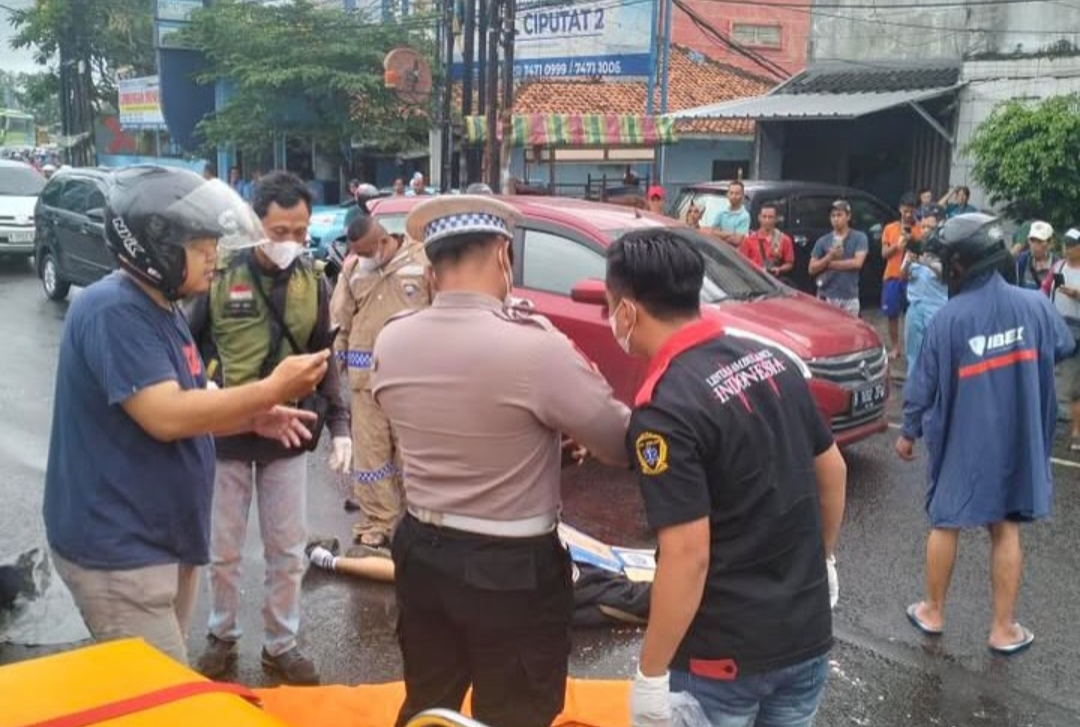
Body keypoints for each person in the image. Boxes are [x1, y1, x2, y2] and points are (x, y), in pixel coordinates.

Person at [42, 166, 329, 666]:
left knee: (151, 691)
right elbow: (167, 415)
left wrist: (252, 417)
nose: (214, 258)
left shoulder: (163, 306)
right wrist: (271, 388)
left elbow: (191, 398)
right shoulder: (114, 309)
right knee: (159, 700)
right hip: (121, 554)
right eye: (201, 248)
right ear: (156, 250)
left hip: (158, 543)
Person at [370, 195, 631, 727]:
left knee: (429, 702)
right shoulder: (535, 347)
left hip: (422, 550)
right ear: (504, 255)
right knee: (516, 711)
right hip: (511, 566)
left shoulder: (392, 338)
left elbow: (438, 426)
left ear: (431, 265)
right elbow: (617, 440)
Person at [607, 229, 846, 727]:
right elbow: (832, 471)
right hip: (806, 639)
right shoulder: (774, 361)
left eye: (610, 307)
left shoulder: (665, 409)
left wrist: (650, 673)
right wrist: (822, 562)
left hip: (722, 663)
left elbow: (688, 555)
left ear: (627, 311)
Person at [187, 171, 350, 685]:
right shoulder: (218, 277)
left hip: (289, 436)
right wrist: (210, 394)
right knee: (225, 549)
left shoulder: (313, 280)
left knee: (286, 548)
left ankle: (282, 644)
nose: (292, 243)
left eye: (300, 232)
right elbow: (188, 348)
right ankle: (221, 636)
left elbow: (325, 353)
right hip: (228, 433)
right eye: (281, 231)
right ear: (257, 223)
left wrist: (341, 424)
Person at [896, 213, 1075, 655]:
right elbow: (1062, 346)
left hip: (961, 440)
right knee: (1006, 527)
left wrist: (908, 432)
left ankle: (933, 611)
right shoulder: (1035, 305)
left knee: (946, 521)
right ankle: (1002, 628)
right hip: (1018, 441)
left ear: (962, 264)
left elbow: (922, 384)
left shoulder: (948, 319)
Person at [331, 215, 431, 549]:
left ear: (384, 241)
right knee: (371, 456)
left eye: (367, 252)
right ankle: (377, 521)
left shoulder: (421, 261)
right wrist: (335, 362)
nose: (364, 258)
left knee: (410, 455)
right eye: (357, 253)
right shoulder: (353, 269)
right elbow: (340, 321)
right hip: (365, 381)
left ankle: (412, 521)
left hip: (411, 380)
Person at [1041, 227, 1080, 448]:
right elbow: (1046, 289)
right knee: (1049, 374)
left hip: (1078, 329)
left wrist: (1077, 294)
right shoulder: (1059, 266)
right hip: (1057, 325)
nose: (1067, 249)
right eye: (1066, 244)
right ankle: (1049, 426)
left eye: (1072, 245)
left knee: (1075, 385)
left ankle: (1076, 432)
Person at [902, 214, 947, 378]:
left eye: (931, 227)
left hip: (937, 308)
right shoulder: (914, 248)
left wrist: (926, 262)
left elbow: (947, 276)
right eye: (924, 226)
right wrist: (908, 263)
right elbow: (903, 276)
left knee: (936, 353)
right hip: (915, 306)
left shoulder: (945, 250)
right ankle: (913, 390)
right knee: (913, 353)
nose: (926, 230)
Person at [808, 200, 869, 316]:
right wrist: (829, 257)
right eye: (833, 216)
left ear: (848, 216)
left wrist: (828, 264)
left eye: (839, 215)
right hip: (826, 295)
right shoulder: (823, 240)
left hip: (849, 296)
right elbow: (811, 268)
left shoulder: (860, 237)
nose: (836, 219)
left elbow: (857, 263)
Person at [881, 194, 922, 360]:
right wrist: (897, 245)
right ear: (900, 209)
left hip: (914, 278)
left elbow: (924, 254)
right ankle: (895, 347)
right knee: (892, 314)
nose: (908, 215)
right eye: (905, 211)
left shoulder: (920, 229)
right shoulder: (890, 228)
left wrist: (912, 242)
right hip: (892, 276)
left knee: (914, 315)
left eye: (911, 211)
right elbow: (884, 254)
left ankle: (914, 348)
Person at [739, 202, 795, 280]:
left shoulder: (784, 239)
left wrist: (779, 269)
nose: (767, 220)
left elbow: (789, 263)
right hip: (753, 279)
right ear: (759, 218)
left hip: (774, 281)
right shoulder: (749, 240)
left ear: (776, 219)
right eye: (764, 217)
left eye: (770, 217)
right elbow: (741, 261)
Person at [705, 181, 750, 248]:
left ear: (742, 196)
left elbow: (737, 240)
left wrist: (719, 235)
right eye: (731, 193)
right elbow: (712, 232)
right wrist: (731, 233)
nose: (733, 196)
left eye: (737, 193)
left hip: (734, 254)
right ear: (727, 195)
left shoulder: (744, 216)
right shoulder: (721, 213)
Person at [1016, 221, 1057, 290]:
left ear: (1050, 243)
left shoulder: (1057, 266)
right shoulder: (1021, 260)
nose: (1035, 245)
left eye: (1040, 241)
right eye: (1032, 240)